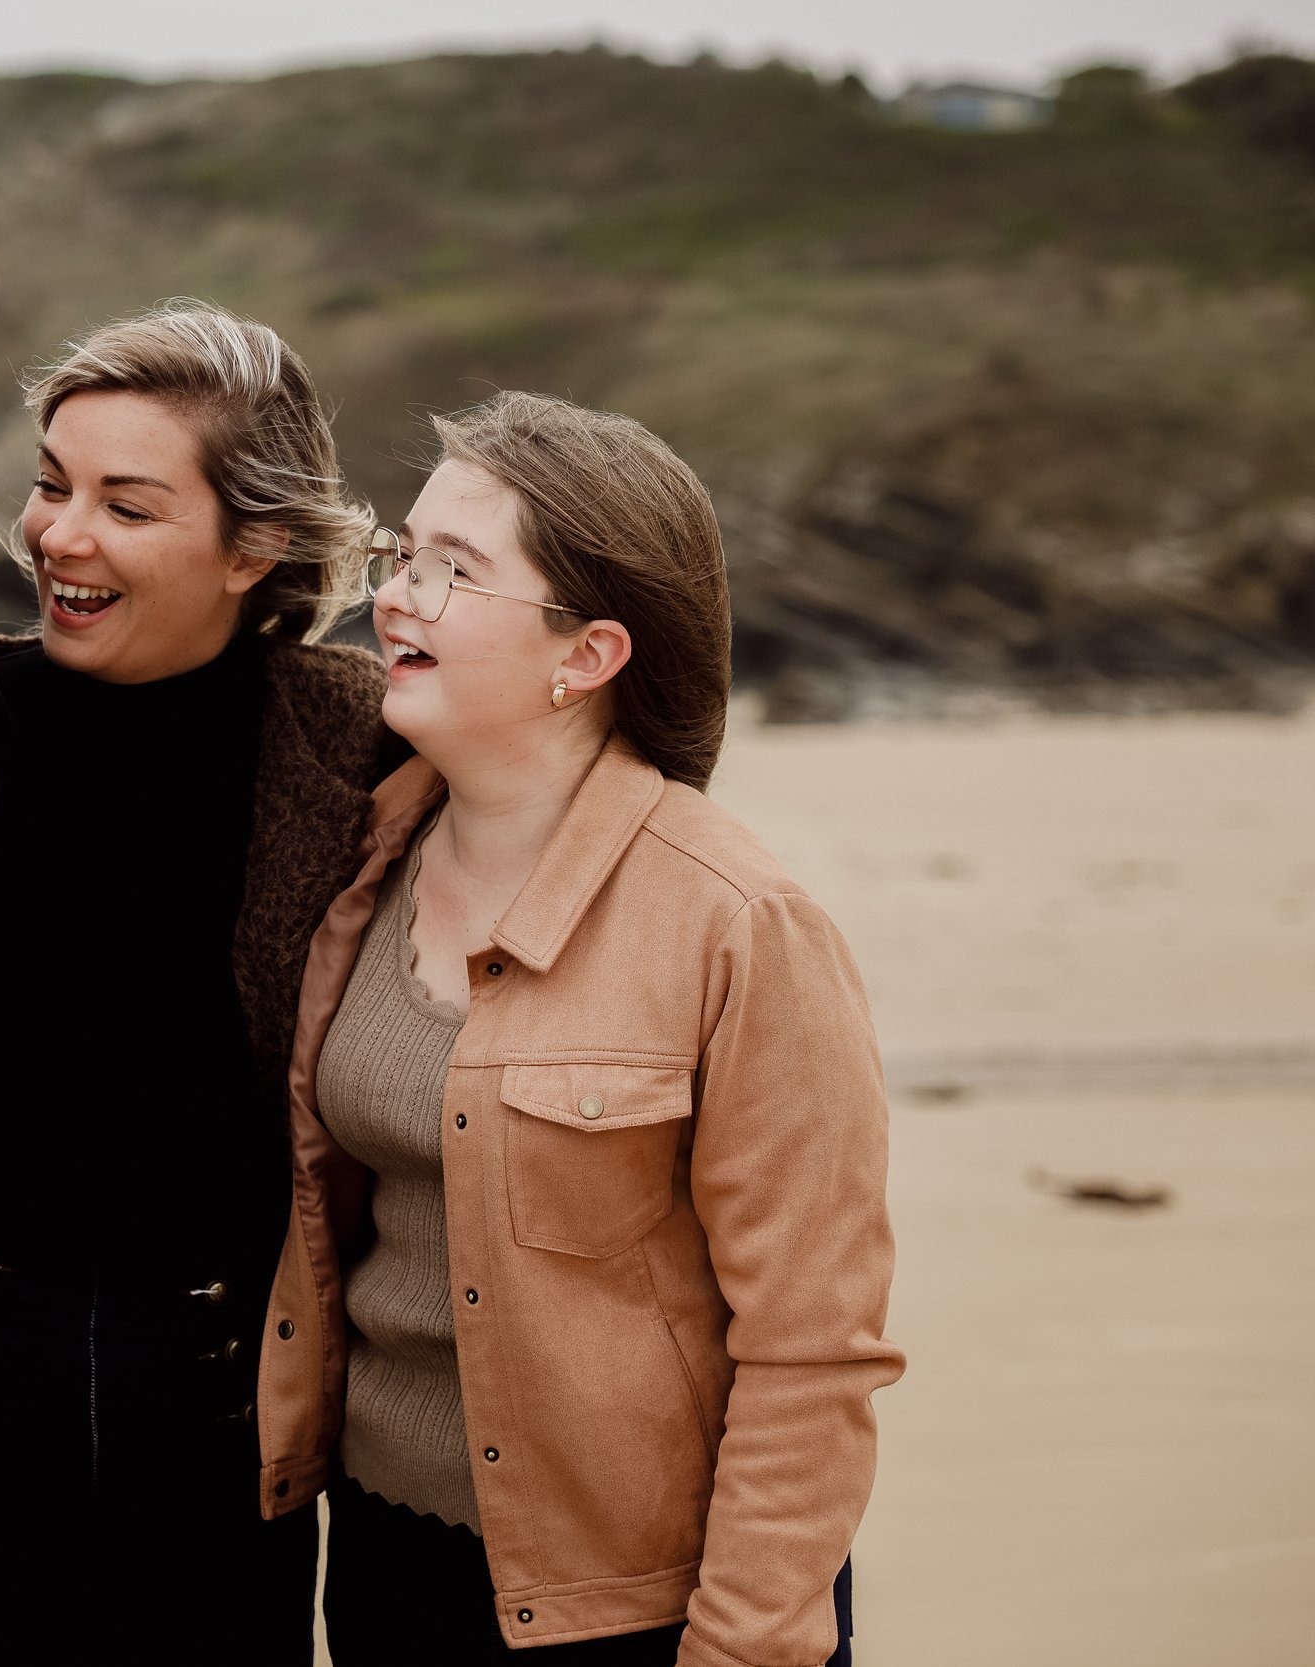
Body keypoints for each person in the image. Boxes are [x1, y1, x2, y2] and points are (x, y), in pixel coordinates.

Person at [0, 304, 402, 1665]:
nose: (58, 535)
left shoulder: (357, 747)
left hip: (212, 1481)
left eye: (127, 505)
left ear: (255, 545)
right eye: (52, 484)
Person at [255, 393, 903, 1664]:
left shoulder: (740, 923)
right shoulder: (358, 857)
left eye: (455, 572)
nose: (397, 596)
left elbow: (814, 1349)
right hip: (384, 1567)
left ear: (588, 655)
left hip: (638, 1601)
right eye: (403, 557)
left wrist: (741, 1643)